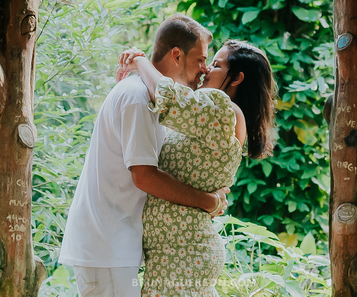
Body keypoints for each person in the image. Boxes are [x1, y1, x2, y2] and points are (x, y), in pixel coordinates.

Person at [59, 15, 230, 297]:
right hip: (106, 248)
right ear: (176, 55)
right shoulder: (136, 96)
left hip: (115, 246)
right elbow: (145, 176)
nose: (204, 69)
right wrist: (206, 201)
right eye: (200, 59)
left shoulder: (149, 98)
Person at [120, 38, 276, 297]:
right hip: (179, 252)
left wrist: (139, 59)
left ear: (236, 78)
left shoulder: (222, 109)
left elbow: (166, 95)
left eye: (215, 64)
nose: (205, 70)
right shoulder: (215, 114)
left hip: (183, 255)